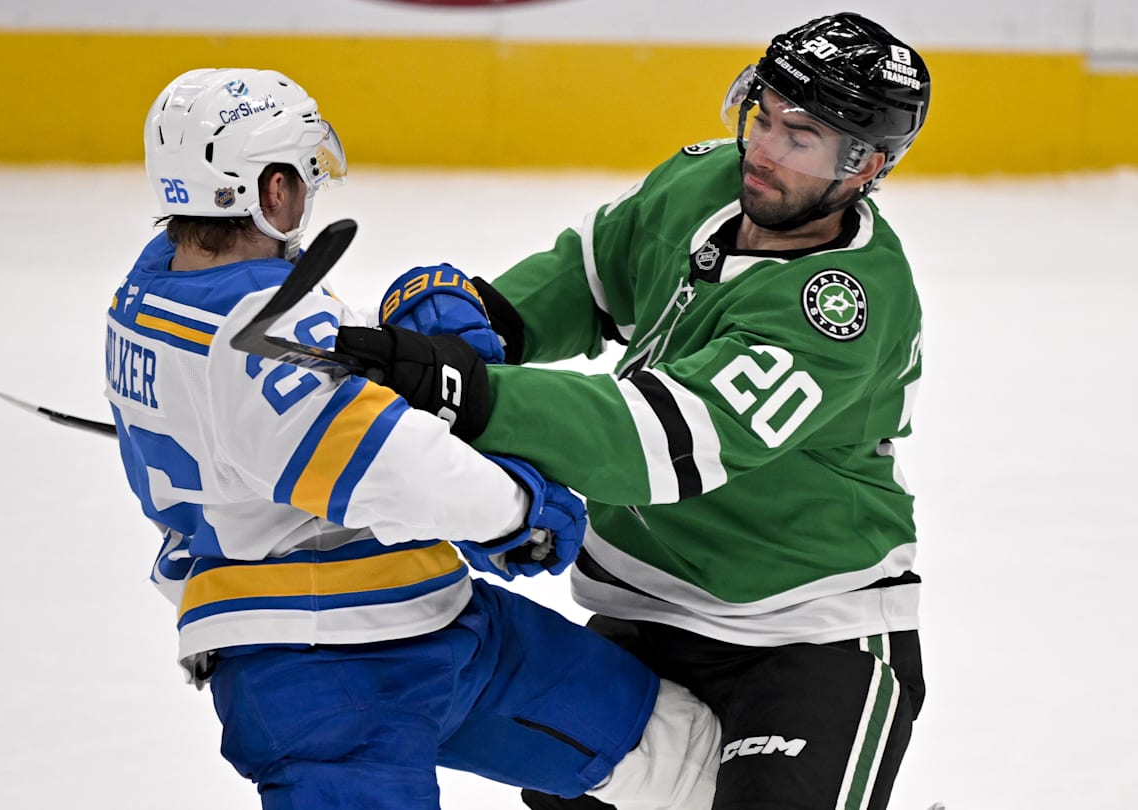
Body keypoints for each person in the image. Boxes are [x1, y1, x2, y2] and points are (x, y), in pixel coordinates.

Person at [335, 12, 932, 810]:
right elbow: (587, 280)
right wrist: (481, 325)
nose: (761, 148)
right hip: (639, 612)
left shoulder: (845, 307)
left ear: (865, 165)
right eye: (761, 113)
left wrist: (466, 393)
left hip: (804, 633)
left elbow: (659, 440)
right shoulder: (704, 182)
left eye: (799, 137)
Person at [105, 67, 720, 810]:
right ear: (270, 192)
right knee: (680, 761)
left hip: (434, 618)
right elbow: (391, 468)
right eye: (301, 176)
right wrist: (515, 510)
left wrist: (396, 360)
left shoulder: (147, 294)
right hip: (320, 674)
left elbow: (275, 410)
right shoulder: (259, 334)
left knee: (684, 752)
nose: (307, 194)